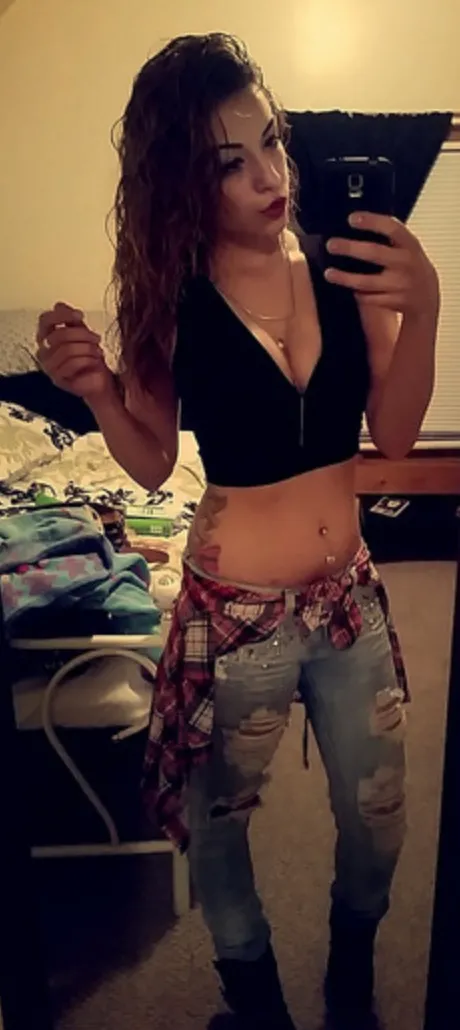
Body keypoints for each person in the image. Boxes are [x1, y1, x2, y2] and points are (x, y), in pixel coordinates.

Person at [37, 33, 440, 1030]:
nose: (269, 176)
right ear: (184, 179)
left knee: (380, 824)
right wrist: (99, 393)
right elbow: (149, 459)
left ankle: (350, 973)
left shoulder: (344, 258)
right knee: (218, 831)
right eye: (230, 162)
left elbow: (393, 434)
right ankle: (254, 1001)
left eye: (271, 141)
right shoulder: (168, 291)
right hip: (234, 619)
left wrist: (425, 306)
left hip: (346, 603)